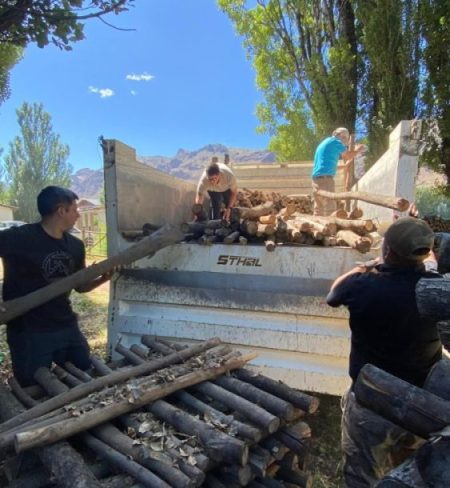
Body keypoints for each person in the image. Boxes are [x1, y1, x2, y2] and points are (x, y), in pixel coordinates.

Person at [327, 216, 443, 486]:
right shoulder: (436, 288)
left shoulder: (363, 284)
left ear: (387, 251)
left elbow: (332, 295)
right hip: (421, 403)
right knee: (412, 473)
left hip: (372, 402)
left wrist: (365, 267)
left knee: (362, 474)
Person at [0, 186, 114, 386]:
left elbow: (80, 286)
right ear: (61, 211)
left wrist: (104, 278)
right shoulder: (18, 238)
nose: (78, 215)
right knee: (32, 387)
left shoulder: (75, 246)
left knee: (83, 373)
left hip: (65, 325)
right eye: (75, 209)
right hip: (28, 332)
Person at [312, 127, 365, 216]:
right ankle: (330, 228)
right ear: (338, 135)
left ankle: (315, 228)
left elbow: (325, 165)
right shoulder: (336, 142)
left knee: (318, 209)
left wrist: (344, 166)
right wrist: (357, 150)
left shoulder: (326, 142)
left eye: (346, 139)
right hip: (325, 180)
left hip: (315, 180)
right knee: (330, 208)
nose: (345, 141)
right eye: (344, 138)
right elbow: (347, 156)